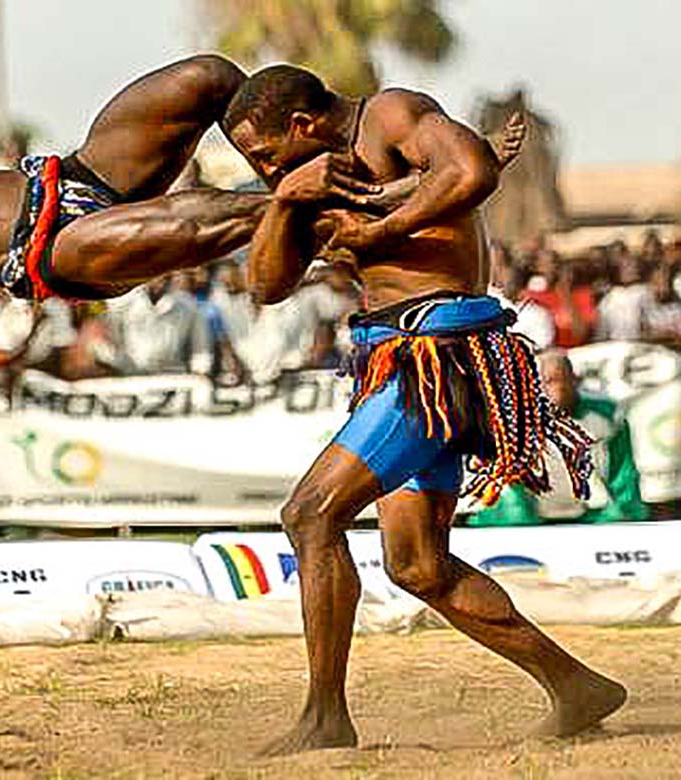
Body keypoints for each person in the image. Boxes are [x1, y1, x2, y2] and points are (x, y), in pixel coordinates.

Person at [0, 55, 420, 541]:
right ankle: (347, 209)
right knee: (206, 221)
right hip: (59, 253)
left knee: (210, 77)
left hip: (77, 175)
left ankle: (335, 150)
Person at [223, 64, 625, 754]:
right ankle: (575, 686)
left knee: (311, 515)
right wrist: (287, 200)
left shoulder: (389, 115)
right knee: (417, 565)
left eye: (266, 155)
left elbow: (471, 171)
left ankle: (324, 718)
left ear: (302, 124)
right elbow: (264, 286)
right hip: (397, 361)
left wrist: (385, 230)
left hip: (433, 361)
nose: (263, 170)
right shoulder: (314, 181)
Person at [471, 350, 647, 525]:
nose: (558, 388)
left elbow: (624, 477)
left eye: (562, 379)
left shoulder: (607, 416)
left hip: (592, 515)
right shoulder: (512, 420)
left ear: (575, 380)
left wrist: (619, 515)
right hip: (524, 515)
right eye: (548, 381)